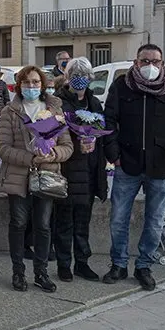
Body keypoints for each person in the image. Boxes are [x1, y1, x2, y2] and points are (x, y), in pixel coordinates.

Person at [103, 44, 165, 290]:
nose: (150, 66)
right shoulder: (121, 86)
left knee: (155, 221)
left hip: (160, 165)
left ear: (162, 63)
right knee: (118, 218)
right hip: (127, 163)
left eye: (155, 61)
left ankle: (144, 265)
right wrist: (114, 154)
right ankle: (119, 264)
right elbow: (109, 121)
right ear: (135, 63)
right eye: (145, 61)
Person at [0, 66, 73, 293]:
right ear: (19, 85)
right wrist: (31, 157)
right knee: (19, 224)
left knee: (43, 226)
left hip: (47, 176)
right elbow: (3, 148)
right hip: (19, 176)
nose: (31, 86)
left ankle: (41, 273)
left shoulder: (54, 109)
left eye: (35, 82)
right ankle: (18, 272)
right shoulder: (10, 112)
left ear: (42, 85)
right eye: (27, 82)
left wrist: (52, 154)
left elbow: (67, 146)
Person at [54, 58, 107, 282]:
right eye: (75, 74)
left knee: (83, 222)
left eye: (83, 75)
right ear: (67, 77)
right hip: (67, 169)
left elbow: (103, 130)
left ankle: (82, 263)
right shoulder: (58, 102)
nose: (79, 79)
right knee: (64, 221)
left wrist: (95, 141)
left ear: (90, 78)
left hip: (89, 170)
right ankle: (64, 264)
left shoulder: (95, 103)